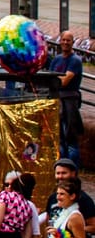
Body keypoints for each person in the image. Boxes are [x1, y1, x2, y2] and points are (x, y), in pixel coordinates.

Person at [50, 30, 84, 165]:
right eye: (63, 40)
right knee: (59, 138)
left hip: (70, 101)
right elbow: (51, 78)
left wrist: (55, 79)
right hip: (57, 100)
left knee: (71, 138)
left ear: (72, 42)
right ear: (60, 41)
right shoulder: (57, 59)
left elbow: (64, 81)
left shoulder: (75, 61)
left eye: (68, 40)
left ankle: (73, 167)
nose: (65, 42)